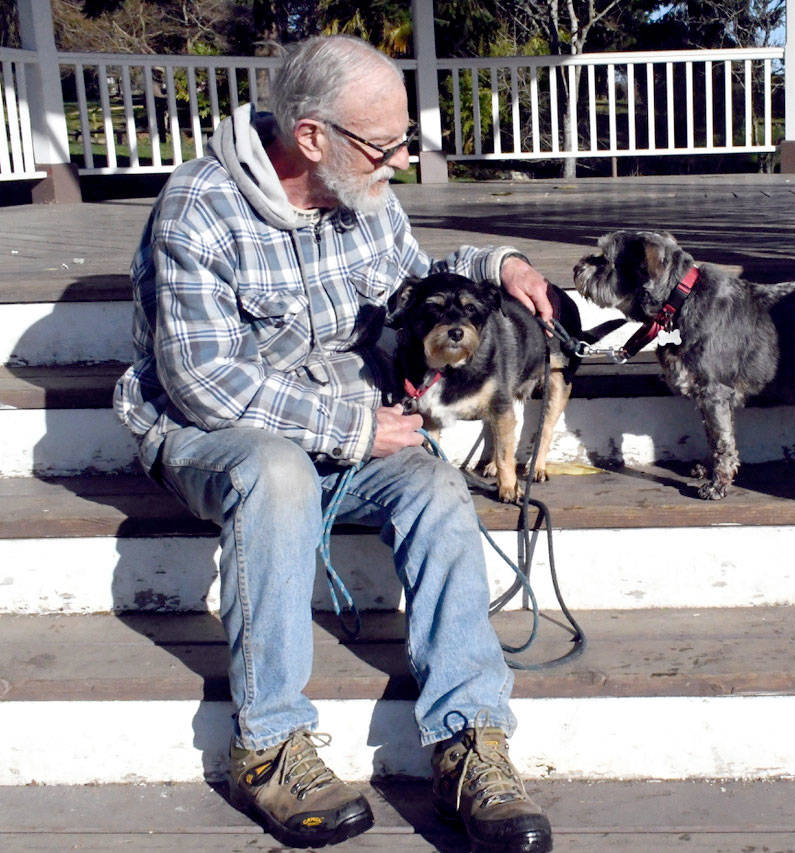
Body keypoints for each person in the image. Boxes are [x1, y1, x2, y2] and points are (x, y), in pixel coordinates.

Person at [114, 34, 554, 852]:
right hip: (210, 436)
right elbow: (202, 384)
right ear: (312, 137)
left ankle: (470, 739)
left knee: (433, 486)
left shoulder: (364, 190)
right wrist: (352, 426)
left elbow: (414, 284)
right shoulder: (198, 209)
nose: (400, 161)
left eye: (403, 143)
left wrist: (502, 262)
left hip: (345, 422)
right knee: (277, 472)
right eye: (387, 144)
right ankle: (270, 744)